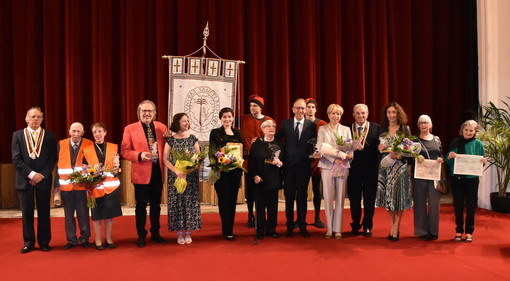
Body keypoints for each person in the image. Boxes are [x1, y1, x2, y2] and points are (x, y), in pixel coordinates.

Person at [121, 100, 168, 247]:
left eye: (150, 111)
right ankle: (141, 235)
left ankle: (155, 233)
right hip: (141, 173)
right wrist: (139, 155)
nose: (147, 114)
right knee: (141, 206)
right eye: (144, 111)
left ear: (154, 113)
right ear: (139, 113)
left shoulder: (161, 127)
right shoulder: (130, 129)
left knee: (156, 205)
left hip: (157, 172)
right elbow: (124, 151)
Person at [12, 107, 57, 254]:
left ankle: (44, 242)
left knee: (44, 212)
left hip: (43, 180)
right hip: (25, 180)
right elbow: (16, 159)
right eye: (33, 116)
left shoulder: (49, 136)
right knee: (27, 213)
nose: (35, 119)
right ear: (26, 119)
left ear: (42, 120)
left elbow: (52, 159)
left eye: (38, 117)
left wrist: (40, 175)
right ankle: (28, 242)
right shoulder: (18, 135)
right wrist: (31, 175)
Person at [276, 98, 317, 238]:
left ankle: (302, 225)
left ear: (305, 110)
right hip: (288, 168)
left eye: (302, 108)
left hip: (304, 168)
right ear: (293, 109)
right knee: (289, 198)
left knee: (302, 198)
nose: (300, 111)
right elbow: (277, 139)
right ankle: (289, 226)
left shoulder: (311, 126)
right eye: (297, 108)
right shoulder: (286, 124)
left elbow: (315, 144)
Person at [163, 113, 202, 245]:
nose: (186, 123)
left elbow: (199, 157)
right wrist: (176, 171)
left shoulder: (192, 139)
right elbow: (165, 159)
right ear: (177, 123)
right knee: (178, 203)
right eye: (183, 121)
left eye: (187, 120)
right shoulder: (171, 140)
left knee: (189, 203)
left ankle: (188, 232)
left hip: (190, 177)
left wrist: (191, 168)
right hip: (176, 177)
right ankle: (179, 232)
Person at [445, 120, 487, 243]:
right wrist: (449, 156)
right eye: (466, 130)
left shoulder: (478, 144)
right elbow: (447, 162)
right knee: (457, 205)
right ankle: (459, 230)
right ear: (462, 130)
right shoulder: (455, 142)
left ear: (475, 132)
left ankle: (469, 232)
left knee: (471, 206)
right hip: (457, 179)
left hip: (472, 179)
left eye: (471, 130)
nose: (468, 132)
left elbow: (481, 161)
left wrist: (483, 162)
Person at [376, 102, 412, 242]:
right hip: (385, 167)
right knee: (388, 199)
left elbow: (409, 149)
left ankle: (396, 229)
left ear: (398, 114)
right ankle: (392, 227)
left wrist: (398, 154)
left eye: (394, 112)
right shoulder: (382, 129)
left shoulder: (404, 129)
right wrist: (380, 147)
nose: (391, 115)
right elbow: (378, 149)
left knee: (399, 198)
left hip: (399, 167)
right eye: (389, 112)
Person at [83, 122, 122, 250]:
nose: (97, 134)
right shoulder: (87, 150)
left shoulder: (113, 147)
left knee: (109, 216)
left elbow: (117, 166)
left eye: (100, 131)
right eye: (95, 132)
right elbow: (85, 169)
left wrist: (117, 169)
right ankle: (98, 240)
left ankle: (109, 238)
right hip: (95, 188)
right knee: (96, 216)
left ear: (105, 132)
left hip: (111, 187)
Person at [316, 104, 352, 239]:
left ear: (341, 116)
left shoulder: (346, 129)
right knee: (328, 197)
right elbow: (321, 148)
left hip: (343, 166)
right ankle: (330, 229)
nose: (335, 116)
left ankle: (338, 229)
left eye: (338, 114)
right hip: (327, 166)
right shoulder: (322, 129)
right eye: (332, 113)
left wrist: (346, 156)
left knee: (340, 198)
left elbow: (349, 147)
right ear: (328, 115)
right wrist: (334, 159)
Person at [55, 122, 93, 249]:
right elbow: (58, 167)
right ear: (69, 131)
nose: (76, 134)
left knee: (83, 214)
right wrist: (57, 188)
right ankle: (71, 240)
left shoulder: (89, 144)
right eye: (74, 131)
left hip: (82, 187)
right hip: (66, 187)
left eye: (78, 131)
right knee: (68, 215)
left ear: (82, 133)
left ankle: (84, 238)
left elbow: (93, 166)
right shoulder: (61, 144)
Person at [209, 107, 244, 240]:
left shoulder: (238, 133)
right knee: (224, 201)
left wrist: (237, 159)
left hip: (235, 172)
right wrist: (222, 159)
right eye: (224, 117)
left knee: (232, 201)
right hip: (221, 172)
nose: (227, 119)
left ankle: (230, 229)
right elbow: (212, 151)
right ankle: (227, 230)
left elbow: (243, 151)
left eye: (229, 117)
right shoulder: (215, 133)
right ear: (220, 118)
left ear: (233, 118)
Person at [347, 104, 381, 237]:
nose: (361, 116)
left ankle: (367, 225)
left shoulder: (376, 128)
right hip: (353, 169)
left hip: (371, 169)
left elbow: (380, 147)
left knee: (369, 199)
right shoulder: (347, 129)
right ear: (353, 114)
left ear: (367, 113)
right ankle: (355, 224)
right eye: (358, 113)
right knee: (354, 198)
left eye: (363, 113)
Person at [240, 94, 274, 228]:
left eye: (255, 105)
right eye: (251, 105)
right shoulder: (244, 119)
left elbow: (272, 137)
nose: (252, 108)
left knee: (264, 189)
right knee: (251, 190)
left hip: (265, 161)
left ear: (260, 107)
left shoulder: (269, 120)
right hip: (249, 160)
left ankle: (262, 215)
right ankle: (250, 215)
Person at [249, 119, 284, 239]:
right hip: (260, 180)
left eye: (273, 126)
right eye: (268, 126)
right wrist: (255, 175)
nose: (271, 128)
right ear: (263, 129)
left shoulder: (279, 143)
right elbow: (251, 162)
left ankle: (271, 229)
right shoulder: (256, 144)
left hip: (273, 179)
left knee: (273, 207)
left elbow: (285, 161)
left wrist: (280, 162)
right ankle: (260, 231)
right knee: (260, 208)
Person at [412, 115, 443, 241]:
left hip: (434, 176)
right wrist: (415, 156)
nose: (423, 125)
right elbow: (407, 156)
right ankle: (421, 231)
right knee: (419, 203)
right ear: (418, 125)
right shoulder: (413, 140)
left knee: (434, 203)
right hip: (419, 176)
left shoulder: (437, 139)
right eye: (421, 123)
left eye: (426, 122)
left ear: (430, 124)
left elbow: (441, 154)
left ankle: (434, 231)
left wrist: (441, 159)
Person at [304, 98, 327, 229]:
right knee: (302, 191)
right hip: (303, 161)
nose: (310, 109)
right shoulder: (300, 123)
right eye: (308, 107)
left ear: (316, 109)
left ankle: (317, 217)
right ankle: (300, 218)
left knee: (316, 190)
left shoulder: (322, 124)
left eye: (313, 107)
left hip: (317, 161)